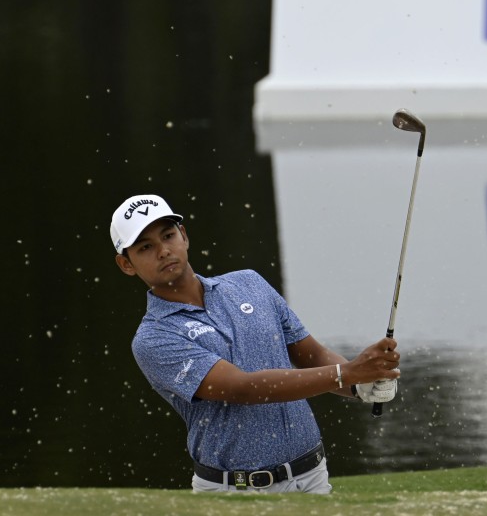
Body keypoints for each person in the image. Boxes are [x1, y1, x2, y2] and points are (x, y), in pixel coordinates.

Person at [110, 194, 401, 494]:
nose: (163, 251)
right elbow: (242, 388)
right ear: (126, 264)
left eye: (168, 236)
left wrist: (361, 385)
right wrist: (347, 373)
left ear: (183, 236)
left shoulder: (249, 283)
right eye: (146, 247)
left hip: (312, 476)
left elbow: (311, 355)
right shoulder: (153, 338)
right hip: (234, 490)